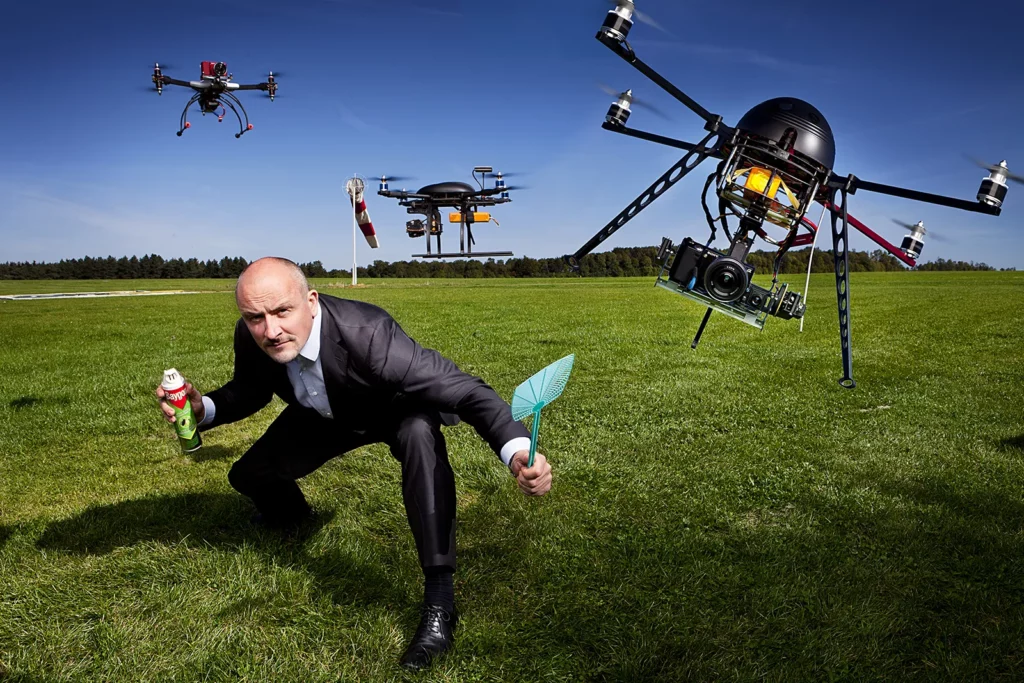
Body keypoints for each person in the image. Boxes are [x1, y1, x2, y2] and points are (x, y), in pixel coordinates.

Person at [155, 256, 552, 670]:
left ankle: (440, 601)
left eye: (281, 312)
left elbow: (466, 392)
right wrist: (204, 410)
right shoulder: (253, 331)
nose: (269, 331)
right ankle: (294, 516)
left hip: (395, 411)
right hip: (325, 414)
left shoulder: (370, 334)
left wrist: (517, 450)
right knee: (248, 475)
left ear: (311, 301)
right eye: (255, 317)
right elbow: (251, 390)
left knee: (420, 436)